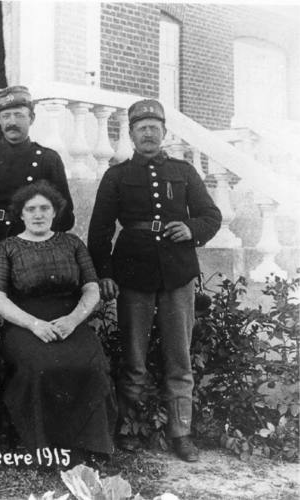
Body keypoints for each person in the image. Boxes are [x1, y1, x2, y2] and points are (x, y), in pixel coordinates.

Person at [87, 99, 221, 462]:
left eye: (154, 128)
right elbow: (100, 231)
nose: (148, 133)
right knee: (134, 356)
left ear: (163, 132)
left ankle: (181, 432)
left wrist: (191, 229)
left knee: (179, 356)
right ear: (131, 134)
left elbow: (211, 215)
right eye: (141, 128)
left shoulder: (184, 171)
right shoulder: (116, 176)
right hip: (133, 273)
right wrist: (105, 274)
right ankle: (130, 427)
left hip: (178, 272)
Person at [0, 181, 115, 461]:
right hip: (24, 324)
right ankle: (45, 445)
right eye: (30, 209)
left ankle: (90, 444)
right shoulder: (7, 247)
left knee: (92, 367)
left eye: (45, 208)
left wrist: (73, 320)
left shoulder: (72, 243)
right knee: (40, 367)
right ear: (21, 214)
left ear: (55, 212)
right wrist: (34, 324)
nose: (38, 214)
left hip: (70, 320)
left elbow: (91, 288)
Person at [0, 85, 75, 294]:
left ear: (32, 118)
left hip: (30, 243)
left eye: (19, 115)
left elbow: (64, 215)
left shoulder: (48, 159)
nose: (12, 122)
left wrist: (36, 236)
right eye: (6, 116)